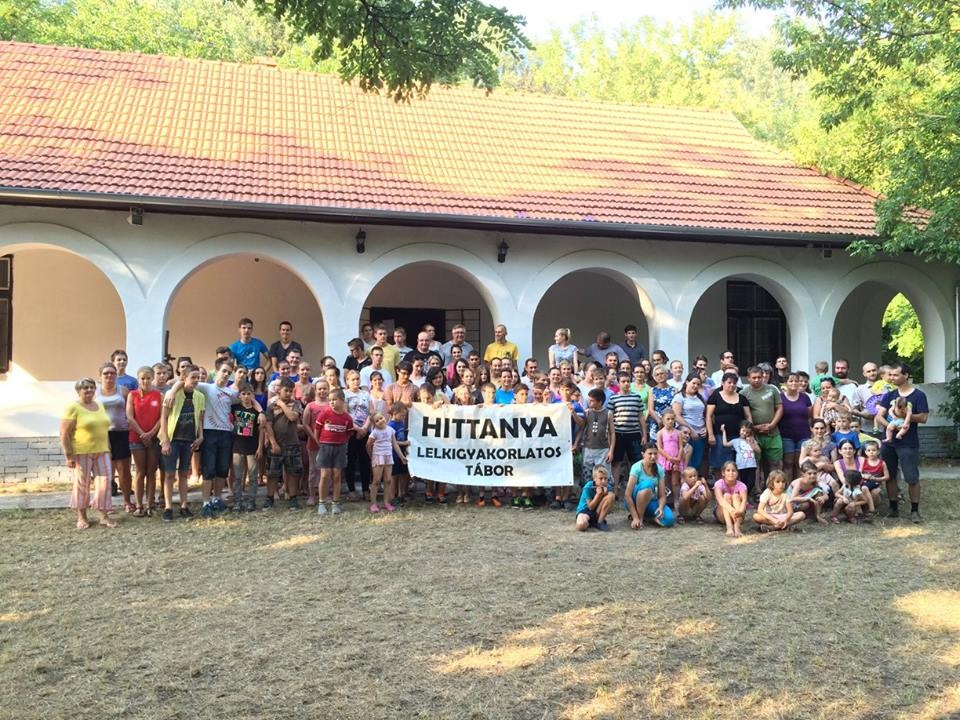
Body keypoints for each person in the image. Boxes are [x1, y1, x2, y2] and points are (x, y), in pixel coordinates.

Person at [167, 358, 244, 518]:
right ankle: (206, 502)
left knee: (222, 469)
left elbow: (248, 398)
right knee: (208, 469)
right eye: (223, 371)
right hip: (209, 432)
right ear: (216, 372)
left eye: (229, 373)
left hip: (225, 433)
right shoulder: (206, 387)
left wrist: (261, 412)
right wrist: (173, 391)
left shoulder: (232, 393)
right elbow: (183, 381)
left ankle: (217, 499)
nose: (226, 375)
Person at [875, 363, 928, 522]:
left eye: (895, 375)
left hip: (908, 443)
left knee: (911, 477)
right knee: (890, 475)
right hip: (889, 442)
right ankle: (893, 508)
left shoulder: (918, 395)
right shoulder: (889, 395)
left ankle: (914, 511)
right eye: (890, 375)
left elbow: (924, 417)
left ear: (906, 375)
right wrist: (890, 426)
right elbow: (879, 415)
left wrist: (904, 416)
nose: (892, 378)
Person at [61, 377, 116, 529]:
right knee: (82, 484)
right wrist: (69, 455)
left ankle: (104, 516)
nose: (89, 390)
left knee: (105, 483)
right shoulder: (73, 406)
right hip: (81, 452)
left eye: (92, 387)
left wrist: (109, 447)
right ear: (78, 391)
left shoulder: (99, 404)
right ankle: (82, 517)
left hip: (102, 450)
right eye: (85, 388)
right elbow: (64, 433)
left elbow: (104, 428)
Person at [158, 365, 204, 522]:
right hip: (173, 439)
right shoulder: (172, 394)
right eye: (193, 377)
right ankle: (168, 507)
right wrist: (165, 441)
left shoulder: (199, 396)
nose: (196, 380)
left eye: (198, 377)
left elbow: (200, 419)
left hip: (189, 440)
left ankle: (184, 506)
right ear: (184, 378)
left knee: (184, 474)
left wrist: (200, 436)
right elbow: (164, 417)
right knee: (169, 474)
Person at [126, 365, 162, 517]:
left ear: (152, 378)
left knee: (151, 471)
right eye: (142, 378)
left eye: (148, 378)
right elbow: (130, 417)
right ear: (138, 379)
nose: (145, 381)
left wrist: (152, 433)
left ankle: (150, 504)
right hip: (136, 438)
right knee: (140, 471)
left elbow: (162, 418)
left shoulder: (159, 395)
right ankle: (139, 504)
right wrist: (143, 434)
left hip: (154, 438)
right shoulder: (132, 395)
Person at [262, 378, 303, 510]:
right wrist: (273, 443)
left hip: (292, 444)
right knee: (272, 473)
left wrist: (281, 404)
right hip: (276, 444)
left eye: (291, 391)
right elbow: (268, 425)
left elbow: (293, 417)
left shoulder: (296, 404)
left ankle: (293, 498)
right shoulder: (271, 406)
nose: (288, 393)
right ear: (279, 390)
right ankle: (269, 499)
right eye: (286, 390)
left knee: (293, 473)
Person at [96, 362, 132, 508]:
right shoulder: (95, 392)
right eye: (106, 373)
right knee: (104, 471)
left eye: (112, 373)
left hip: (121, 433)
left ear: (116, 375)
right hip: (101, 434)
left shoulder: (123, 391)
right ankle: (105, 504)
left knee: (124, 470)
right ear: (100, 376)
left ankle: (127, 501)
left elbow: (131, 411)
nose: (109, 375)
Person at [314, 389, 354, 515]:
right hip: (325, 447)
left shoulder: (347, 418)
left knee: (337, 476)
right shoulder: (325, 413)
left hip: (340, 448)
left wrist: (342, 443)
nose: (331, 402)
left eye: (334, 399)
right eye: (330, 400)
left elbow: (349, 434)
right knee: (325, 475)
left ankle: (335, 503)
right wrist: (320, 444)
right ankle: (322, 503)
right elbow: (317, 430)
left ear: (342, 400)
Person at [741, 366, 784, 479]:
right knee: (755, 463)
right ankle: (757, 488)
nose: (757, 380)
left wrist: (772, 425)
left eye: (759, 377)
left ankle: (773, 486)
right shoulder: (743, 393)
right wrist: (753, 428)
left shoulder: (772, 389)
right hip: (753, 434)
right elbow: (743, 415)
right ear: (748, 378)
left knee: (775, 462)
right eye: (754, 378)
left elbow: (779, 408)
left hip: (773, 433)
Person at [229, 382, 265, 511]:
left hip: (252, 447)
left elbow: (261, 430)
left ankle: (251, 501)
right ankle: (237, 501)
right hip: (237, 446)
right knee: (237, 476)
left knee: (253, 476)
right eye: (243, 394)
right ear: (239, 395)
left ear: (252, 395)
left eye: (249, 394)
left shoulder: (256, 411)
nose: (246, 396)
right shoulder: (234, 408)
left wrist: (260, 447)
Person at [624, 443, 674, 529]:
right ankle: (639, 518)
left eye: (655, 453)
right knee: (648, 484)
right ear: (643, 454)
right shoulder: (636, 468)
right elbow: (627, 495)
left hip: (651, 501)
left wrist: (661, 507)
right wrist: (635, 518)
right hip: (634, 500)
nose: (653, 456)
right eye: (650, 454)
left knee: (669, 520)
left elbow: (662, 495)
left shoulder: (659, 469)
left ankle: (648, 518)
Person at [366, 411, 407, 513]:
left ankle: (386, 502)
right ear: (374, 424)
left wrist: (402, 457)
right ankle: (373, 503)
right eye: (377, 421)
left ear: (384, 417)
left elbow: (395, 444)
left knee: (388, 480)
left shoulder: (390, 430)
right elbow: (368, 445)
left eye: (381, 418)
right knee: (376, 481)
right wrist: (372, 456)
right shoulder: (374, 433)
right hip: (378, 457)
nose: (380, 421)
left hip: (388, 457)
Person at [342, 370, 372, 501]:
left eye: (357, 379)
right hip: (351, 432)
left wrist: (364, 428)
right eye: (352, 379)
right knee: (351, 461)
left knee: (365, 460)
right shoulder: (345, 394)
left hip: (365, 431)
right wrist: (357, 429)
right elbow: (345, 414)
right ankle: (352, 490)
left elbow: (371, 412)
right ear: (347, 381)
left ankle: (366, 489)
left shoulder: (366, 394)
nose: (356, 381)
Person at [578, 388, 615, 489]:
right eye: (589, 400)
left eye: (592, 400)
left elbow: (612, 433)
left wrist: (611, 451)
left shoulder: (608, 414)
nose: (589, 402)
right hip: (588, 448)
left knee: (603, 473)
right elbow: (581, 426)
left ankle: (604, 493)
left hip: (603, 449)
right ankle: (587, 493)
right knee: (586, 473)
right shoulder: (587, 412)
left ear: (600, 402)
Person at [671, 374, 708, 474]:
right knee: (686, 462)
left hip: (700, 433)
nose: (695, 386)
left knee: (697, 462)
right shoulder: (679, 397)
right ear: (687, 382)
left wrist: (706, 427)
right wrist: (691, 431)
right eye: (693, 383)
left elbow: (704, 414)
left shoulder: (699, 398)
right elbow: (676, 416)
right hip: (686, 433)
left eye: (698, 384)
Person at [779, 373, 812, 480]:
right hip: (786, 435)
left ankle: (801, 487)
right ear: (786, 383)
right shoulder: (780, 397)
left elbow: (809, 415)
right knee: (788, 463)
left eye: (796, 381)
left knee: (801, 464)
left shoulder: (805, 397)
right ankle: (788, 488)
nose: (794, 383)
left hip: (803, 435)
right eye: (791, 381)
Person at [721, 421, 761, 500]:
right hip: (741, 466)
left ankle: (744, 497)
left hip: (752, 465)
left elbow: (759, 451)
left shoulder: (752, 440)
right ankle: (743, 499)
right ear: (740, 430)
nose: (745, 433)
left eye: (747, 432)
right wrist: (724, 432)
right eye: (743, 431)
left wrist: (752, 443)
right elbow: (725, 444)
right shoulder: (735, 441)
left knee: (751, 482)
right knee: (743, 482)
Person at [656, 410, 684, 506]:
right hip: (665, 459)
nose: (670, 421)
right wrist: (669, 458)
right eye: (668, 419)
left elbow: (681, 447)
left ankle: (676, 500)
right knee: (664, 480)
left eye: (672, 419)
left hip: (676, 460)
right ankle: (665, 500)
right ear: (663, 420)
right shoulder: (660, 433)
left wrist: (678, 458)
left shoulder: (678, 433)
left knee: (675, 482)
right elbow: (659, 448)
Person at [575, 465, 614, 531]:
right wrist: (598, 495)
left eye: (605, 478)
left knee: (611, 496)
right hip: (585, 511)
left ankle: (600, 522)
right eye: (601, 478)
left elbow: (610, 503)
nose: (603, 481)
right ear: (594, 478)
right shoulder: (588, 486)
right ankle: (591, 523)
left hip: (597, 511)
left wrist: (605, 494)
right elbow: (590, 507)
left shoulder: (608, 487)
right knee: (581, 525)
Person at [713, 461, 747, 538]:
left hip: (738, 515)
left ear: (737, 473)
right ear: (723, 473)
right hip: (722, 515)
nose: (731, 473)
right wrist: (732, 510)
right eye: (728, 470)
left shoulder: (742, 485)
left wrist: (740, 511)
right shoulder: (719, 483)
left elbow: (744, 501)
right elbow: (720, 500)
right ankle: (729, 527)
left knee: (735, 496)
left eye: (733, 470)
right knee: (726, 496)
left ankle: (737, 528)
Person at [860, 439, 888, 508]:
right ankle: (868, 508)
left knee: (873, 492)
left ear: (878, 451)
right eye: (869, 450)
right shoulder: (863, 461)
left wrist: (876, 478)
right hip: (864, 482)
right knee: (863, 488)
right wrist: (864, 476)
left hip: (876, 483)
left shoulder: (882, 463)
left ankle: (872, 508)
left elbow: (887, 477)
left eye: (874, 450)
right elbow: (859, 473)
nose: (871, 452)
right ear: (865, 452)